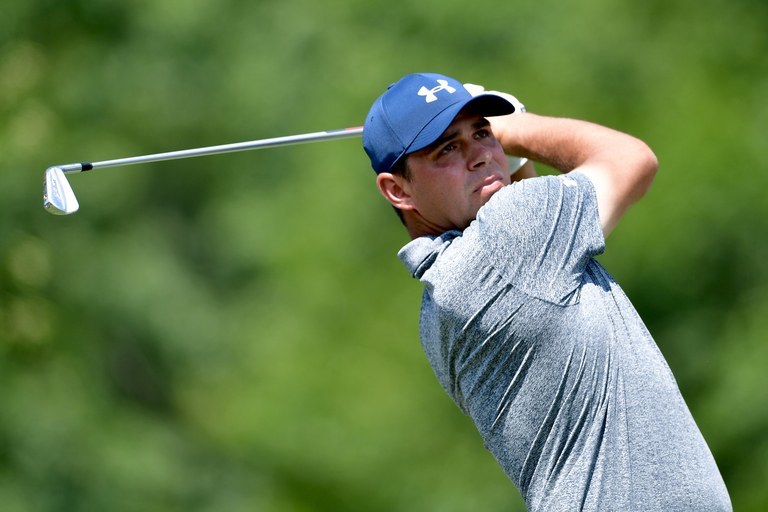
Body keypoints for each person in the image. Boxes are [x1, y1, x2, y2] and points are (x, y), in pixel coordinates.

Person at [362, 72, 732, 511]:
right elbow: (632, 158)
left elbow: (528, 255)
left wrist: (504, 157)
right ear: (397, 189)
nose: (480, 154)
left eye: (482, 132)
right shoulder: (514, 235)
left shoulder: (439, 301)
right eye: (447, 148)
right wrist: (516, 127)